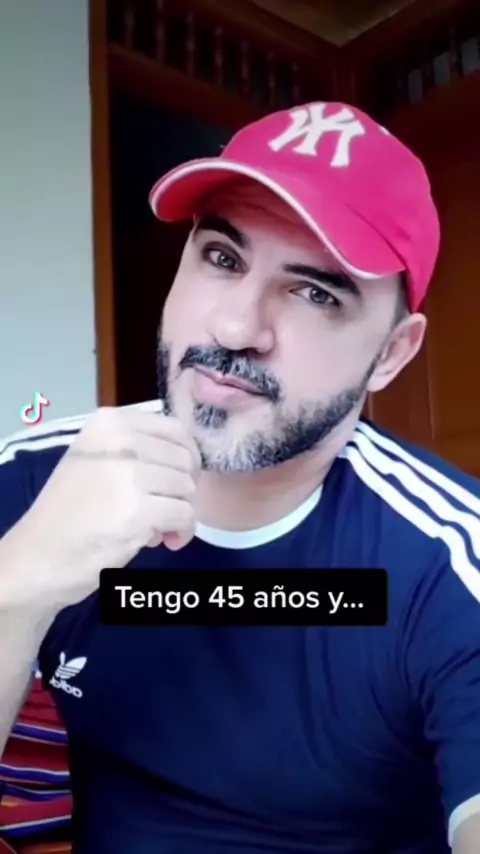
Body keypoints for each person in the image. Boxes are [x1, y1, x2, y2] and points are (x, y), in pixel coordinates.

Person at [0, 100, 479, 854]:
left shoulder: (450, 561)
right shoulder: (37, 481)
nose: (234, 329)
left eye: (315, 293)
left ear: (391, 353)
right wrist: (17, 585)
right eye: (223, 258)